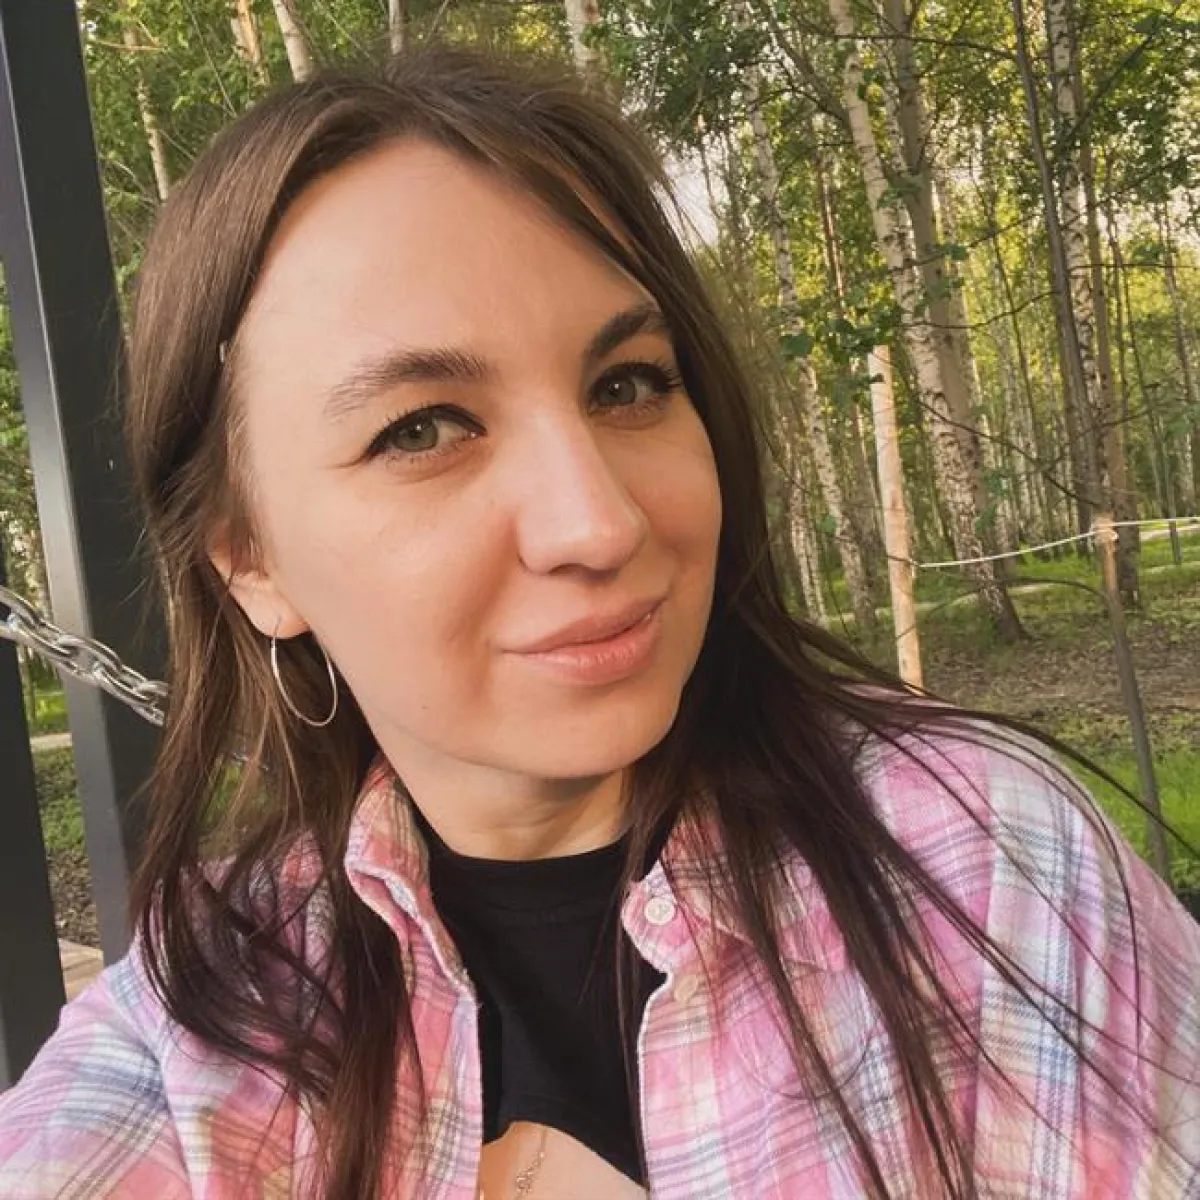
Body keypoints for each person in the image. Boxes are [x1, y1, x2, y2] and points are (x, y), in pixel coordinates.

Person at [0, 44, 1196, 1200]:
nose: (600, 522)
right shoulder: (200, 1027)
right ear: (251, 557)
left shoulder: (979, 871)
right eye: (422, 428)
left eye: (627, 385)